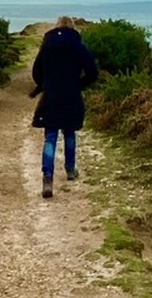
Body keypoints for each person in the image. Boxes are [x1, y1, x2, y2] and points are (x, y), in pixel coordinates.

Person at [30, 16, 98, 198]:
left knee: (50, 137)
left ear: (57, 27)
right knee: (69, 132)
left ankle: (47, 179)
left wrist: (46, 84)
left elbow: (36, 72)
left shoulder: (48, 46)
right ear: (73, 29)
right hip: (71, 96)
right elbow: (93, 72)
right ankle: (70, 170)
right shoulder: (78, 46)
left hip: (51, 95)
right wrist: (79, 84)